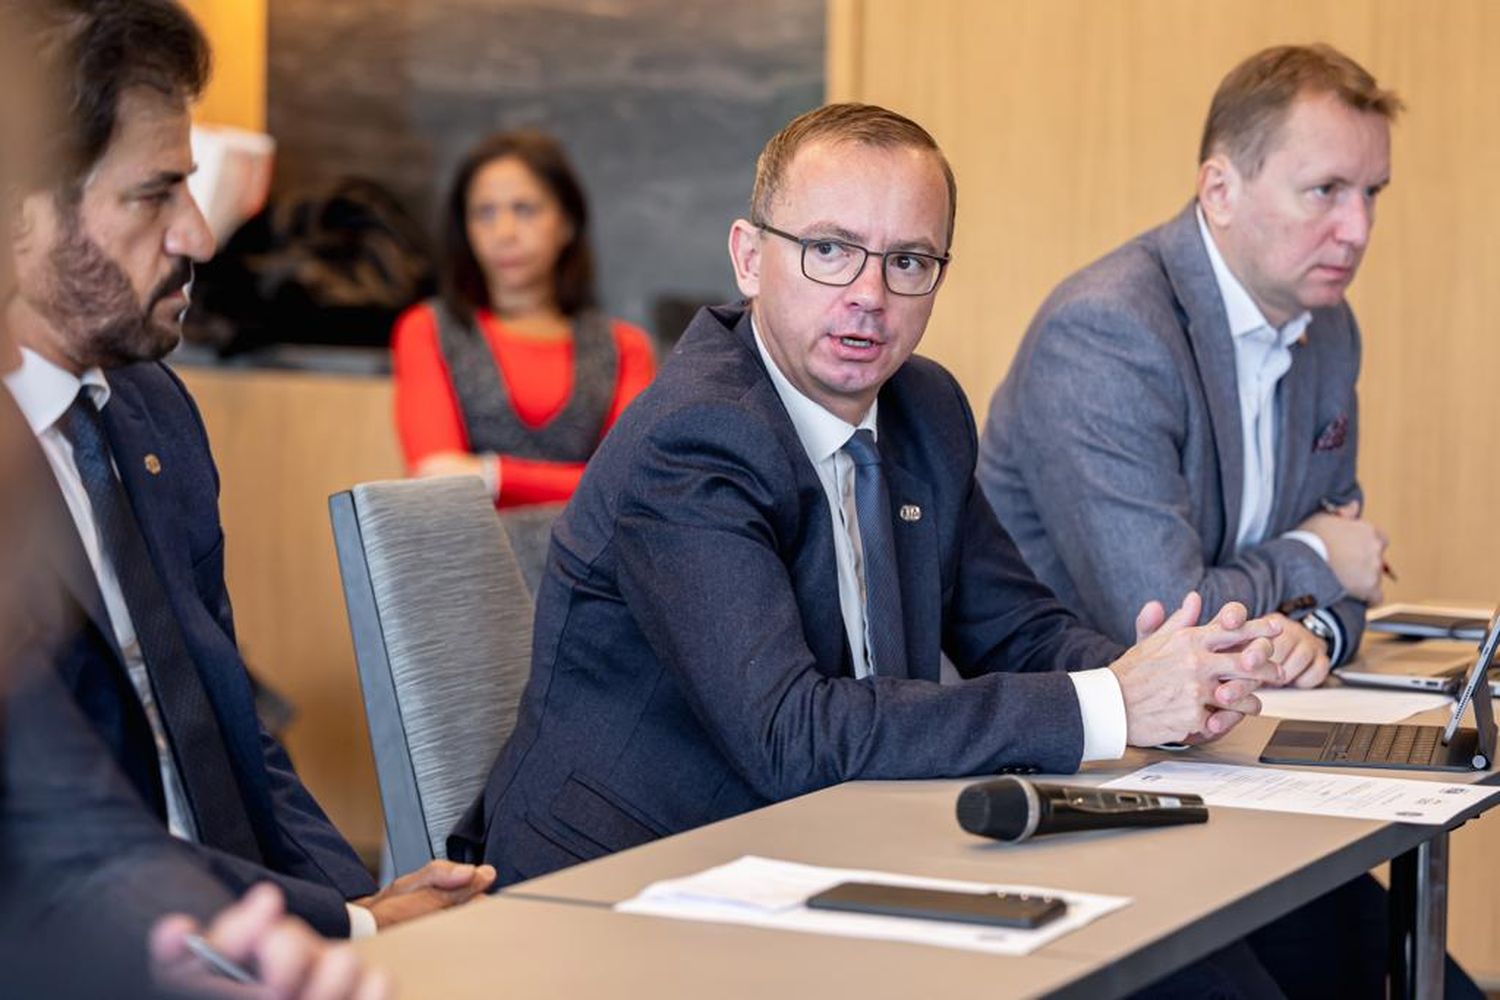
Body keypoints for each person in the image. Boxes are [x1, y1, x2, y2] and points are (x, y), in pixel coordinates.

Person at [450, 102, 1283, 888]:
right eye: (829, 250)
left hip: (838, 840)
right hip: (634, 875)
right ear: (749, 258)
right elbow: (790, 734)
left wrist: (1172, 679)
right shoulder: (694, 438)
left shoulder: (925, 407)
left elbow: (1015, 630)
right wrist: (1111, 703)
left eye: (908, 262)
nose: (869, 296)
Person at [2, 0, 493, 944]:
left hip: (254, 933)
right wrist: (346, 923)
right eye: (156, 194)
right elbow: (59, 833)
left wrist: (363, 905)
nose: (199, 235)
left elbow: (231, 729)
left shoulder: (154, 412)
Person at [979, 44, 1395, 686]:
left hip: (1242, 706)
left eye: (1371, 193)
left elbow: (1354, 578)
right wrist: (1314, 553)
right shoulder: (1105, 331)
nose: (1358, 229)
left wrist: (1313, 631)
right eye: (1326, 191)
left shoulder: (1330, 327)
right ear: (1220, 191)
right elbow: (1167, 618)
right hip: (1073, 719)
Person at [391, 130, 656, 506]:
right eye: (484, 213)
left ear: (566, 223)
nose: (504, 233)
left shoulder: (624, 346)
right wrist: (576, 483)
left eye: (525, 209)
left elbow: (630, 485)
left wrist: (491, 475)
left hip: (584, 547)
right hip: (467, 544)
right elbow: (436, 475)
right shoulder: (428, 328)